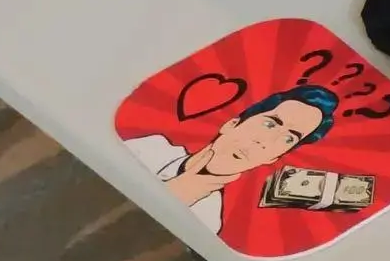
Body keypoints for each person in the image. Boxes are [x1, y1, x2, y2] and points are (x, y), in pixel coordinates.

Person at [125, 86, 339, 235]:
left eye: (287, 138)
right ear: (232, 124)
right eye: (270, 124)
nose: (264, 141)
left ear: (274, 157)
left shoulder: (208, 218)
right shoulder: (148, 147)